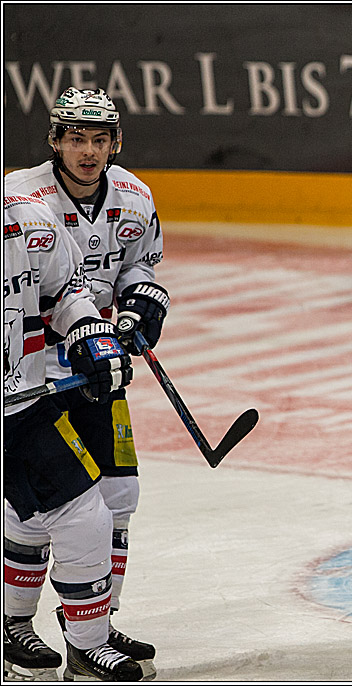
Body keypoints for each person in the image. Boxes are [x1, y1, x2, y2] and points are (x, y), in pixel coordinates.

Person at [4, 87, 167, 679]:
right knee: (56, 509)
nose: (89, 151)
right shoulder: (26, 199)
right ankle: (20, 625)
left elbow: (131, 268)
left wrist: (139, 307)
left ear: (115, 142)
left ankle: (92, 624)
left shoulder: (133, 196)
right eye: (77, 138)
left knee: (117, 499)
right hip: (33, 378)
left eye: (100, 139)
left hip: (96, 364)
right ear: (54, 142)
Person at [4, 193, 144, 681]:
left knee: (79, 511)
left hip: (22, 401)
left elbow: (65, 293)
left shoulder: (27, 219)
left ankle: (79, 642)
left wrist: (90, 334)